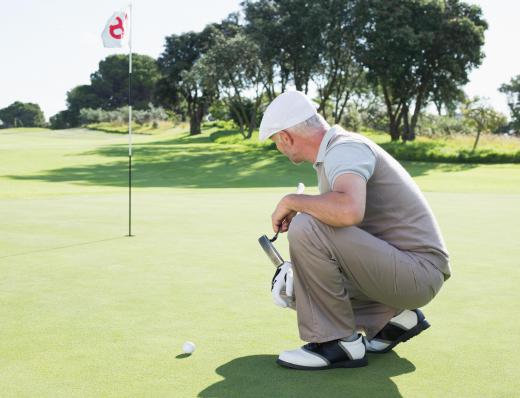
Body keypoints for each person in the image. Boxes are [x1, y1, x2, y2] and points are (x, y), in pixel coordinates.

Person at [260, 91, 451, 370]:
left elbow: (348, 210)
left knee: (306, 224)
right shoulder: (334, 155)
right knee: (299, 289)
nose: (279, 147)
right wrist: (303, 276)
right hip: (405, 270)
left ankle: (338, 344)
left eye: (276, 141)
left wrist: (292, 201)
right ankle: (391, 319)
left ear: (286, 138)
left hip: (418, 271)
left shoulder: (344, 148)